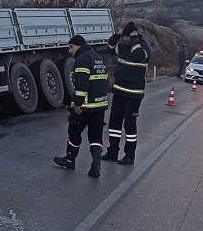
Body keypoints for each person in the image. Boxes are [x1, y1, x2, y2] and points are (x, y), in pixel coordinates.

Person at [53, 34, 110, 178]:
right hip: (100, 104)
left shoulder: (81, 60)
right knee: (96, 136)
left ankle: (70, 159)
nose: (69, 50)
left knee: (74, 131)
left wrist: (77, 104)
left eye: (71, 46)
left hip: (86, 106)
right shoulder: (99, 59)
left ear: (78, 45)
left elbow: (82, 85)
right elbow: (105, 82)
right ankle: (96, 164)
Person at [101, 21, 151, 165]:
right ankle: (112, 152)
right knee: (114, 124)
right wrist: (116, 36)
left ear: (133, 36)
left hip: (134, 94)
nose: (125, 39)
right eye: (123, 37)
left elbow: (138, 56)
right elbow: (110, 48)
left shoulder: (143, 47)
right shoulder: (123, 46)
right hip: (119, 92)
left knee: (129, 126)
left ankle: (130, 155)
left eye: (126, 37)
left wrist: (135, 40)